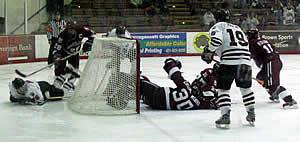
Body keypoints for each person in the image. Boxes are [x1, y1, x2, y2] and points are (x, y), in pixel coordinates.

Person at [201, 8, 255, 129]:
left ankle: (225, 115)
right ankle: (251, 113)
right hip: (245, 61)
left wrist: (209, 51)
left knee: (223, 89)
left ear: (217, 18)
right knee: (246, 89)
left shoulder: (218, 26)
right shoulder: (237, 28)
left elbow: (216, 40)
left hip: (229, 62)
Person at [247, 28, 298, 109]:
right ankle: (274, 94)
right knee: (260, 78)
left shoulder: (251, 43)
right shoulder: (264, 40)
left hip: (270, 63)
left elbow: (248, 55)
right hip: (276, 61)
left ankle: (290, 101)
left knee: (273, 85)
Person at [140, 58, 218, 110]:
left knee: (140, 80)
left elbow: (177, 77)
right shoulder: (199, 103)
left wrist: (171, 64)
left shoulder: (188, 89)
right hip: (157, 103)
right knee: (144, 84)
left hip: (158, 95)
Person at [52, 23, 95, 92]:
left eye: (72, 30)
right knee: (60, 71)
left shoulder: (81, 29)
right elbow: (56, 47)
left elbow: (92, 34)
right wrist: (57, 56)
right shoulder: (63, 34)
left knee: (74, 70)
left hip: (75, 53)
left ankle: (69, 85)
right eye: (69, 30)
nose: (70, 32)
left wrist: (89, 43)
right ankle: (56, 86)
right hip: (64, 52)